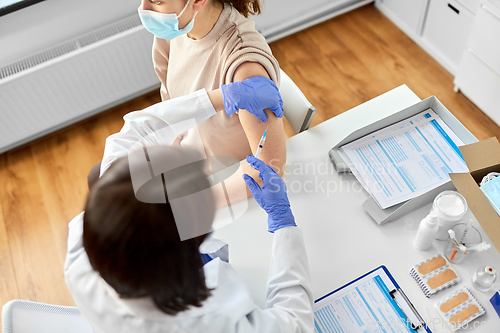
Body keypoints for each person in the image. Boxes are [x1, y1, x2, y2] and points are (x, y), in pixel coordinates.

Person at [64, 145, 314, 332]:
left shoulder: (78, 259)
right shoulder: (213, 323)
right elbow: (296, 323)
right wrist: (284, 225)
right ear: (179, 255)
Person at [138, 0, 286, 198]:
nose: (144, 9)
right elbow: (172, 114)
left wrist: (192, 202)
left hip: (229, 189)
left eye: (156, 1)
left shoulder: (244, 68)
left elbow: (269, 172)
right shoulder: (172, 33)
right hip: (192, 171)